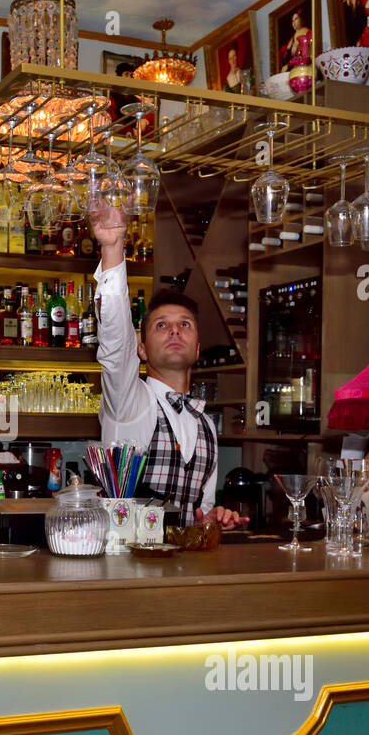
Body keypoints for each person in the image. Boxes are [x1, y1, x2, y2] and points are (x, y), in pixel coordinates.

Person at [87, 203, 247, 529]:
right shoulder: (129, 402)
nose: (175, 330)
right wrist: (113, 246)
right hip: (125, 571)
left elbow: (200, 515)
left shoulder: (207, 428)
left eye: (185, 325)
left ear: (199, 349)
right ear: (141, 350)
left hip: (182, 576)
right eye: (161, 325)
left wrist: (213, 519)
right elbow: (116, 341)